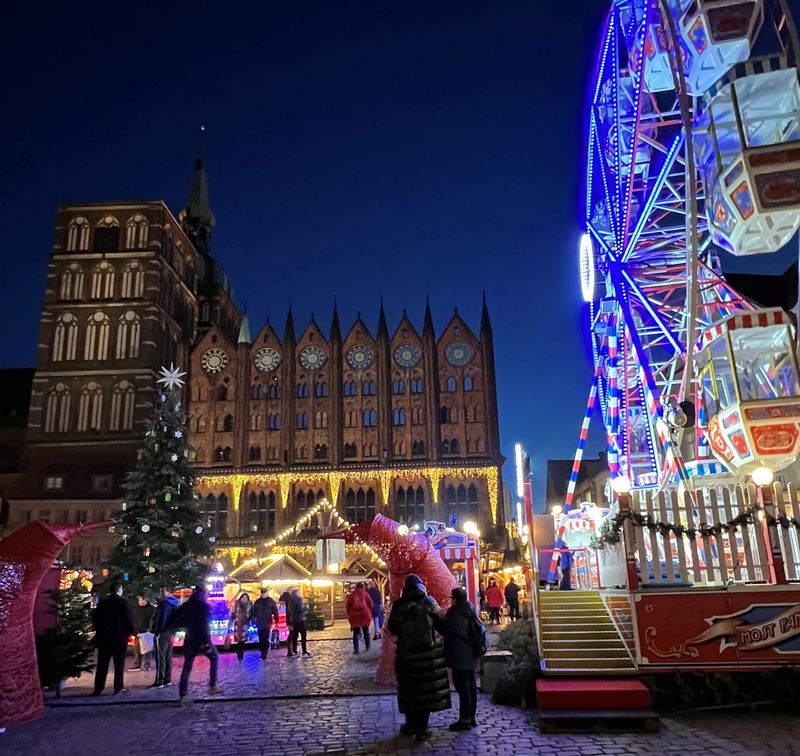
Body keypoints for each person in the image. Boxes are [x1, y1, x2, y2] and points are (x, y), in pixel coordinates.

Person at [387, 574, 451, 741]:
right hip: (428, 658)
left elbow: (391, 628)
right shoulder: (429, 603)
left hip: (407, 657)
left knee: (410, 691)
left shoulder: (399, 605)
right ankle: (422, 728)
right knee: (426, 691)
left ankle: (410, 725)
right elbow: (443, 625)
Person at [170, 585, 223, 703]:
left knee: (187, 667)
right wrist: (207, 643)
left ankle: (183, 695)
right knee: (214, 657)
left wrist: (180, 635)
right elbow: (204, 626)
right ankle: (213, 686)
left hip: (189, 640)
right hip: (201, 640)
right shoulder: (204, 607)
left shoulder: (185, 606)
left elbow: (176, 621)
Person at [439, 587, 482, 730]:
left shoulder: (456, 614)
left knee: (463, 687)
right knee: (471, 686)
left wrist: (437, 616)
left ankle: (465, 720)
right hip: (469, 653)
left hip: (460, 654)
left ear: (455, 599)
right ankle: (471, 717)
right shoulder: (469, 610)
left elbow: (445, 628)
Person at [91, 582, 134, 696]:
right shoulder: (123, 603)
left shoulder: (103, 603)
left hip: (104, 639)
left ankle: (98, 688)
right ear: (119, 590)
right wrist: (132, 631)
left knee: (102, 664)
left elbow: (95, 620)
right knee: (119, 664)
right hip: (119, 638)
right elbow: (128, 620)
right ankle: (118, 687)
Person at [149, 586, 178, 688]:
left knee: (160, 656)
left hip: (162, 633)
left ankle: (160, 680)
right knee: (168, 656)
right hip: (170, 632)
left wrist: (158, 631)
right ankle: (167, 679)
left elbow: (162, 618)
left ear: (167, 592)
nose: (160, 593)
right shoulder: (174, 602)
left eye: (162, 591)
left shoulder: (165, 604)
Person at [346, 582, 374, 654]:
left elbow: (348, 606)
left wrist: (349, 614)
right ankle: (368, 646)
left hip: (355, 616)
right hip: (365, 614)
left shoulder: (352, 595)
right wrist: (368, 611)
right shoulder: (366, 594)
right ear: (363, 587)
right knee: (366, 632)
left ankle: (356, 649)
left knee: (356, 633)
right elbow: (371, 604)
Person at [252, 588, 279, 660]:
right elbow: (254, 612)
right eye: (262, 593)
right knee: (261, 638)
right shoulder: (257, 602)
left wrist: (276, 620)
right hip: (259, 622)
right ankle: (262, 652)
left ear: (267, 593)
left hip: (267, 621)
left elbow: (275, 611)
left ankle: (265, 653)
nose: (263, 594)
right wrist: (253, 621)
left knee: (265, 637)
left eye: (264, 593)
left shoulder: (270, 601)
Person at [130, 596, 155, 671]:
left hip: (147, 632)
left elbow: (154, 620)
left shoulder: (151, 609)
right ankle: (137, 664)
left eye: (141, 600)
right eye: (139, 600)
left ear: (145, 600)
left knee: (147, 651)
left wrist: (151, 629)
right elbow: (134, 619)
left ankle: (146, 665)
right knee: (137, 649)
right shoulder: (136, 609)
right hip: (138, 632)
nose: (140, 602)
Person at [288, 588, 310, 657]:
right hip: (300, 620)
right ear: (296, 593)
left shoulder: (291, 600)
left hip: (294, 620)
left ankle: (295, 651)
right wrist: (306, 607)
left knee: (295, 636)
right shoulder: (298, 599)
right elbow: (300, 610)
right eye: (299, 592)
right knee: (303, 635)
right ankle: (304, 652)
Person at [231, 591, 252, 662]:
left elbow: (250, 614)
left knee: (243, 641)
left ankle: (241, 655)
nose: (245, 598)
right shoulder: (237, 604)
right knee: (238, 641)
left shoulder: (249, 604)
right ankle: (239, 655)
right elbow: (233, 613)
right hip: (238, 624)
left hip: (245, 624)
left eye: (246, 597)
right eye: (243, 597)